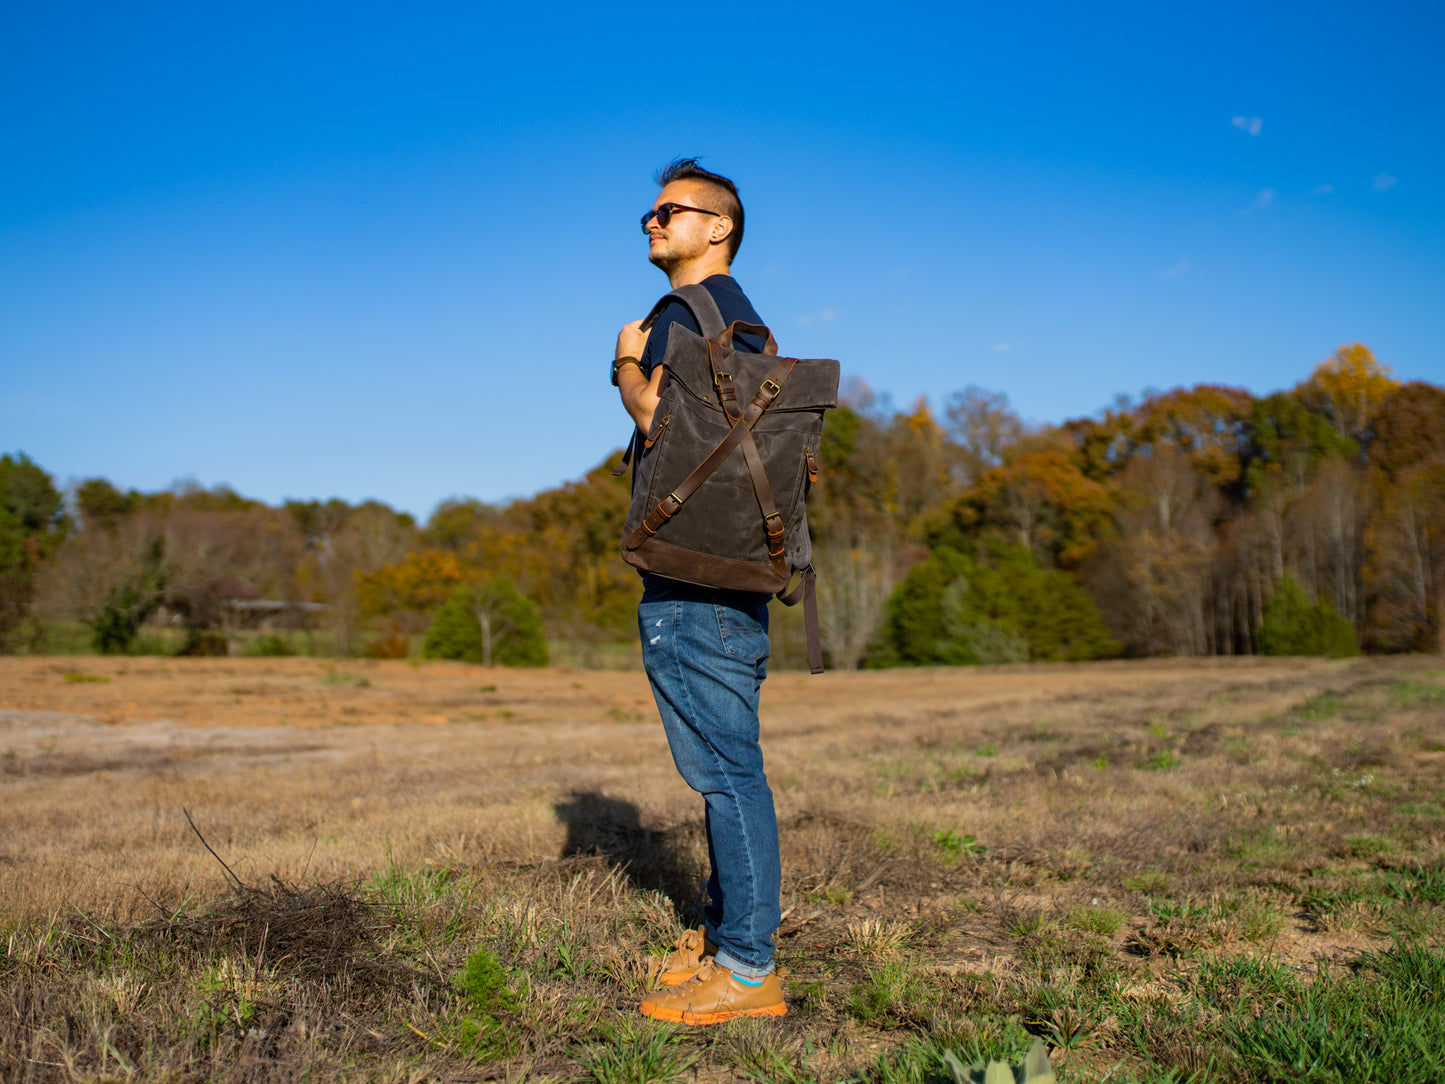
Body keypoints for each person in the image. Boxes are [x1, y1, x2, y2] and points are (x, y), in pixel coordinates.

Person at [613, 158, 787, 1024]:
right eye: (647, 212)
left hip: (695, 575)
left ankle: (750, 971)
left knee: (727, 775)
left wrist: (622, 366)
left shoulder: (694, 314)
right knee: (722, 766)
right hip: (719, 569)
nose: (650, 221)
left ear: (717, 227)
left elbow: (665, 430)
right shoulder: (732, 319)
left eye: (668, 211)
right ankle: (723, 938)